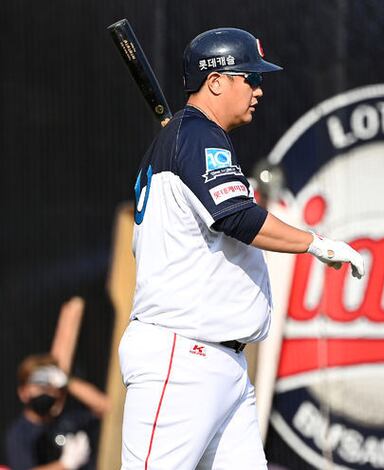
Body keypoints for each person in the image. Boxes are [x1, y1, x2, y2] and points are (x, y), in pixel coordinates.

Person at [119, 27, 364, 470]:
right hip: (184, 355)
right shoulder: (196, 136)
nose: (258, 89)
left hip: (221, 363)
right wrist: (316, 244)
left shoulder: (188, 138)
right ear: (215, 82)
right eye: (249, 77)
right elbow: (237, 217)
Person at [5, 354, 109, 470]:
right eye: (40, 386)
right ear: (23, 392)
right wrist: (65, 465)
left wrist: (67, 381)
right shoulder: (19, 434)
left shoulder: (68, 418)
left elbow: (105, 408)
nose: (45, 392)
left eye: (49, 386)